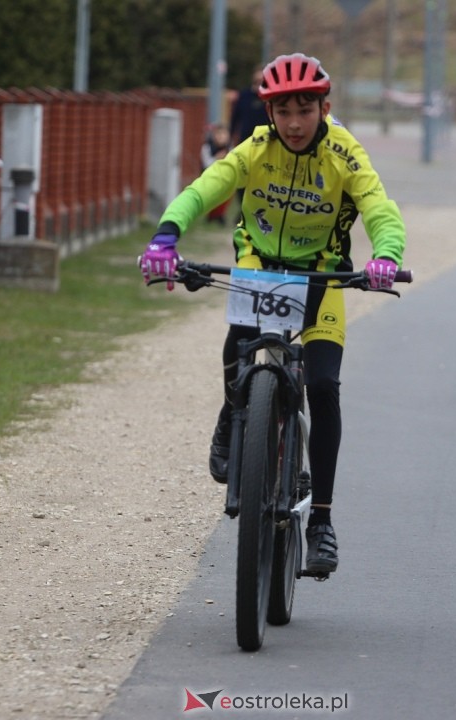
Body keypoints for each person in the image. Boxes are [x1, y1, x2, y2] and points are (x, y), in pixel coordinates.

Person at [139, 53, 406, 575]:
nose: (294, 123)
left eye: (305, 109)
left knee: (323, 386)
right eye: (283, 111)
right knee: (239, 340)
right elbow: (206, 187)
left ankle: (323, 520)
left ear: (324, 107)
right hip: (259, 267)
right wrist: (167, 235)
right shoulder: (256, 148)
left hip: (321, 276)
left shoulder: (343, 153)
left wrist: (386, 256)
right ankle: (231, 413)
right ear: (269, 112)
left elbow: (378, 206)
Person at [228, 65, 270, 146]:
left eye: (261, 81)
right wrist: (231, 135)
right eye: (257, 81)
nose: (259, 83)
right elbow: (235, 118)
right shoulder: (244, 96)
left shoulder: (269, 97)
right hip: (245, 140)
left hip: (265, 139)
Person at [200, 123, 231, 224]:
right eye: (218, 134)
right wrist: (217, 158)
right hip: (209, 176)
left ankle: (220, 215)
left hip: (225, 177)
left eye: (223, 135)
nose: (221, 137)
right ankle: (211, 215)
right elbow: (206, 164)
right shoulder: (207, 147)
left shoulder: (230, 148)